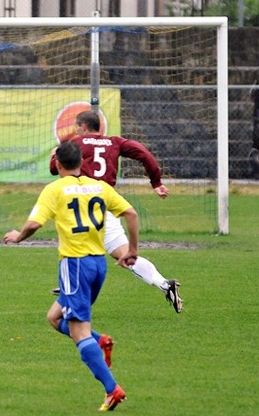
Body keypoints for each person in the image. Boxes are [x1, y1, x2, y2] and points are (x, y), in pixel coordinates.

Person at [4, 141, 138, 412]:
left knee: (79, 332)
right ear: (81, 162)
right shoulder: (101, 186)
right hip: (98, 264)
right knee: (54, 317)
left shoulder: (54, 189)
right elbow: (131, 213)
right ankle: (101, 341)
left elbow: (33, 223)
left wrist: (18, 237)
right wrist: (132, 250)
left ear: (58, 164)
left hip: (74, 266)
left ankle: (112, 389)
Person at [50, 110, 183, 313]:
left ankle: (73, 285)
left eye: (77, 127)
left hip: (83, 202)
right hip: (106, 203)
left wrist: (54, 155)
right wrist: (156, 182)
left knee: (74, 241)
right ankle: (165, 284)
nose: (76, 130)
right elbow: (144, 154)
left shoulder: (76, 144)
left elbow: (55, 168)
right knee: (122, 254)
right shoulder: (115, 142)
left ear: (83, 127)